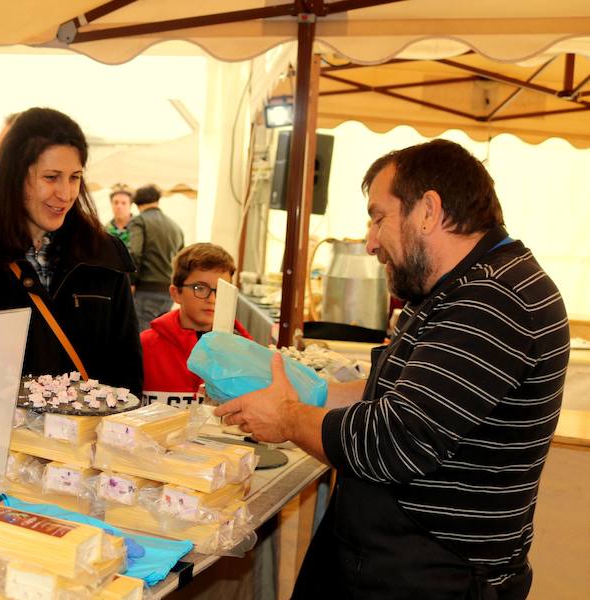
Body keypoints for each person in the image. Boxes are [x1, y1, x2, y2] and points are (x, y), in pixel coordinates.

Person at [216, 139, 569, 600]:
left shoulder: (493, 299)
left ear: (428, 211)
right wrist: (313, 392)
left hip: (432, 571)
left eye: (378, 216)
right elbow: (395, 394)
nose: (370, 242)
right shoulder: (453, 290)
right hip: (388, 553)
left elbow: (395, 438)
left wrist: (286, 418)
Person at [0, 107, 143, 396]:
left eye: (74, 177)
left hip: (85, 437)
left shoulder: (103, 255)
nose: (65, 194)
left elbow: (127, 372)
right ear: (14, 176)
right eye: (51, 177)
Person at [141, 243, 252, 393]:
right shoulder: (145, 348)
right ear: (176, 294)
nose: (212, 299)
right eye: (200, 288)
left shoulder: (246, 350)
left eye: (221, 290)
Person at [127, 184, 184, 331]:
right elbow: (182, 261)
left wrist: (131, 281)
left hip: (146, 290)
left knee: (141, 338)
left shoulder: (139, 221)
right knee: (158, 337)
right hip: (168, 292)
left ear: (137, 204)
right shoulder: (175, 227)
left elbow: (134, 253)